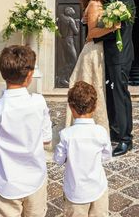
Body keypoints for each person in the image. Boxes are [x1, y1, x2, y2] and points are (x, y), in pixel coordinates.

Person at [0, 45, 52, 217]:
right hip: (35, 179)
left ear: (3, 73)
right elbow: (46, 139)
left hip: (6, 182)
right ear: (30, 75)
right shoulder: (39, 102)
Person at [65, 0, 120, 133]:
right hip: (94, 50)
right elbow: (93, 32)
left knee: (96, 86)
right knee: (93, 86)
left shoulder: (98, 3)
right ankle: (94, 128)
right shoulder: (95, 4)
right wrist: (113, 27)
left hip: (99, 49)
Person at [55, 81, 112, 217]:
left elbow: (58, 159)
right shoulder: (101, 132)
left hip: (75, 192)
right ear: (95, 106)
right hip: (98, 189)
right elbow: (107, 156)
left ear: (71, 107)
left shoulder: (66, 134)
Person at [96, 0, 136, 157]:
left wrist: (95, 33)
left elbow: (114, 29)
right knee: (112, 95)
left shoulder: (126, 1)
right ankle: (115, 130)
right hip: (110, 56)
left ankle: (126, 140)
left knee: (120, 95)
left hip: (120, 56)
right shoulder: (109, 1)